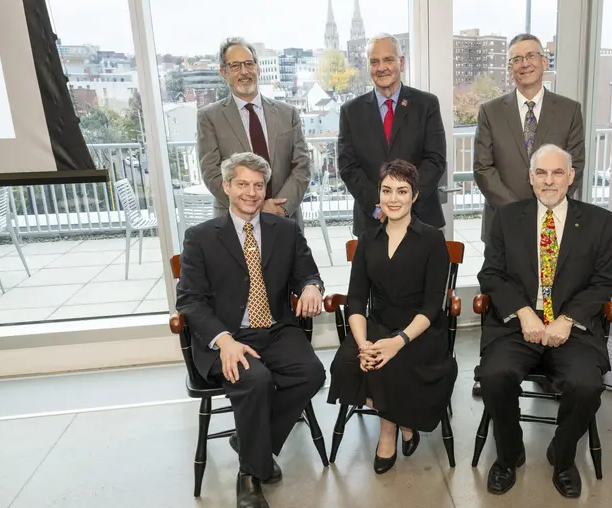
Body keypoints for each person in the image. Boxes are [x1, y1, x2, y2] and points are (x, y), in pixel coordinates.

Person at [177, 152, 326, 508]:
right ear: (226, 187)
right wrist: (223, 340)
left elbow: (309, 273)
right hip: (225, 336)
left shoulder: (286, 230)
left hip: (275, 329)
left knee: (312, 373)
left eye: (258, 185)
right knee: (256, 380)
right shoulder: (200, 237)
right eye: (242, 184)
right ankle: (250, 475)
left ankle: (248, 445)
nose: (251, 192)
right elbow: (190, 301)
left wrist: (310, 287)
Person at [476, 144, 612, 499]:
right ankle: (509, 454)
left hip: (573, 328)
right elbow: (491, 274)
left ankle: (564, 454)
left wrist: (567, 320)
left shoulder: (600, 222)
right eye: (541, 173)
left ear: (571, 177)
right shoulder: (507, 218)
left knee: (586, 385)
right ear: (530, 178)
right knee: (494, 376)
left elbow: (605, 282)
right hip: (516, 325)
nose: (549, 180)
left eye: (557, 173)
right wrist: (523, 311)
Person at [327, 159, 458, 474]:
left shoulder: (431, 239)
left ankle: (389, 432)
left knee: (391, 364)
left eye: (402, 191)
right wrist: (363, 344)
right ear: (379, 193)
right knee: (344, 363)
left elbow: (431, 307)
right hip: (377, 323)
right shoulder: (368, 240)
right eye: (387, 190)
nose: (394, 198)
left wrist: (396, 342)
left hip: (420, 330)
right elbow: (356, 299)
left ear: (414, 196)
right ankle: (403, 420)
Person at [473, 33, 585, 244]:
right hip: (502, 222)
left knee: (549, 277)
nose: (524, 64)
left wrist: (543, 207)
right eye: (516, 59)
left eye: (531, 56)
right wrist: (518, 213)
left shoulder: (569, 110)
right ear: (509, 69)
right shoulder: (490, 111)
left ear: (544, 61)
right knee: (499, 278)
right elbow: (483, 168)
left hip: (552, 221)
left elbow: (575, 166)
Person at [338, 33, 447, 237]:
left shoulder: (426, 105)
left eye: (388, 59)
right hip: (372, 220)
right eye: (374, 62)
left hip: (421, 217)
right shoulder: (351, 111)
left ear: (402, 63)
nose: (381, 67)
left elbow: (435, 159)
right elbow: (348, 166)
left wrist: (406, 200)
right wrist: (380, 204)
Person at [198, 37, 310, 227]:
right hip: (234, 221)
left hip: (284, 217)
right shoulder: (209, 117)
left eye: (249, 64)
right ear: (223, 72)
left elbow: (302, 165)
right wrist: (253, 206)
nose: (244, 71)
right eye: (235, 66)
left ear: (258, 68)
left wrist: (281, 207)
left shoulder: (287, 113)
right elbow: (211, 172)